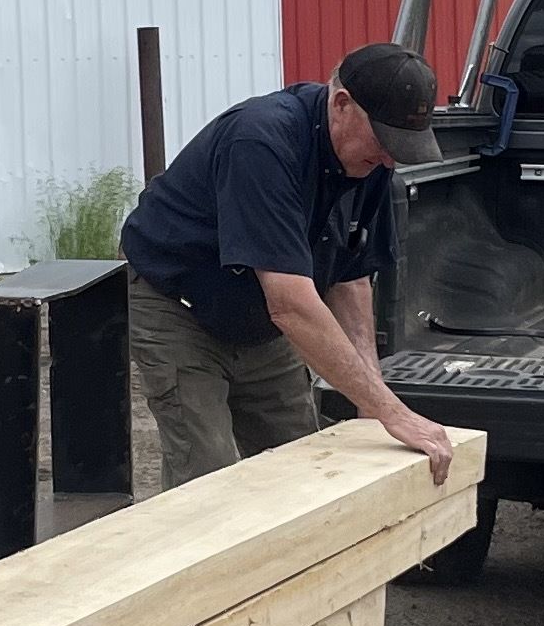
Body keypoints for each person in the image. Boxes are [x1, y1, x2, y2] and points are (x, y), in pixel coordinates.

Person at [117, 40, 456, 489]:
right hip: (179, 307)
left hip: (261, 315)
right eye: (383, 140)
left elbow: (350, 280)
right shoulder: (261, 142)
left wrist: (371, 404)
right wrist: (393, 412)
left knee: (303, 465)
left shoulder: (371, 164)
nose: (390, 158)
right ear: (342, 104)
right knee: (208, 478)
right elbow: (291, 305)